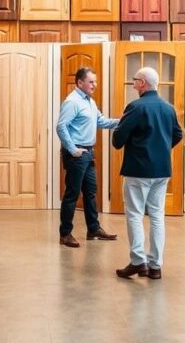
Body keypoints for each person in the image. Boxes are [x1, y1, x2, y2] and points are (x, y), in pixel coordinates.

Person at [111, 67, 183, 280]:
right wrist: (160, 149)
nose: (133, 83)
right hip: (162, 170)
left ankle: (137, 262)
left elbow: (118, 140)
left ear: (142, 83)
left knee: (134, 214)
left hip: (138, 170)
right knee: (157, 216)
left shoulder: (135, 107)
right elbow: (177, 134)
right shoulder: (168, 108)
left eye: (135, 80)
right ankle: (155, 266)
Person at [56, 67, 119, 247]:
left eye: (95, 81)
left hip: (89, 153)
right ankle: (65, 234)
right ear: (80, 82)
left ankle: (93, 229)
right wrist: (73, 149)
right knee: (72, 194)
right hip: (77, 155)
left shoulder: (89, 101)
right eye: (91, 82)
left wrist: (123, 120)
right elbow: (61, 127)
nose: (95, 85)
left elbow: (101, 121)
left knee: (91, 192)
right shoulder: (72, 101)